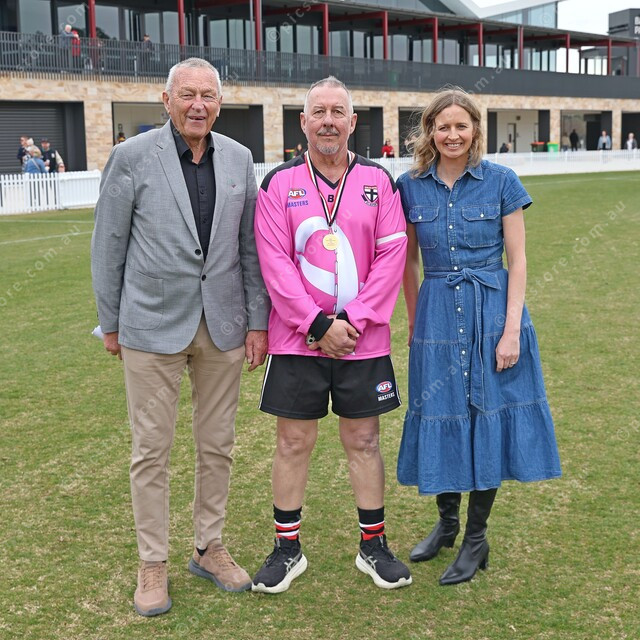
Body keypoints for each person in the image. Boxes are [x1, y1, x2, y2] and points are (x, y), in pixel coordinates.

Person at [91, 57, 270, 617]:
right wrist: (111, 322)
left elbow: (249, 248)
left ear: (220, 103)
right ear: (166, 100)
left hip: (223, 325)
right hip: (150, 325)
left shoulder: (239, 158)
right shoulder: (131, 156)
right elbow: (109, 242)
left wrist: (257, 321)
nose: (198, 105)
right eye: (187, 94)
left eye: (208, 95)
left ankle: (208, 547)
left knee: (218, 444)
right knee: (151, 449)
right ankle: (152, 562)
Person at [252, 76, 411, 594]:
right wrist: (319, 326)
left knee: (363, 440)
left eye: (337, 112)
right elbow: (274, 263)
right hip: (297, 340)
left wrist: (353, 321)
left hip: (363, 341)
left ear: (352, 121)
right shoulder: (278, 183)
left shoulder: (379, 181)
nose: (327, 121)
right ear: (302, 122)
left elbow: (392, 256)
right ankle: (287, 549)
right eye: (318, 112)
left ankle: (373, 547)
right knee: (293, 441)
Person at [396, 87, 561, 586]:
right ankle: (447, 525)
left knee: (485, 416)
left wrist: (511, 331)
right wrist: (414, 321)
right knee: (442, 412)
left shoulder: (502, 181)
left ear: (475, 130)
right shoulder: (410, 186)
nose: (452, 135)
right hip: (437, 317)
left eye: (460, 126)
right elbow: (408, 261)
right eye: (442, 126)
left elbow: (519, 260)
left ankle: (475, 537)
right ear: (430, 131)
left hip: (492, 313)